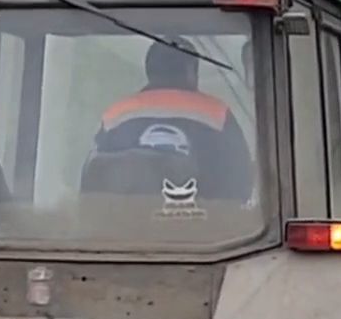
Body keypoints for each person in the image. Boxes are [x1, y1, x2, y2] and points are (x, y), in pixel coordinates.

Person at [90, 40, 252, 201]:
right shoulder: (218, 114)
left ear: (149, 71)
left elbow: (92, 184)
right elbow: (241, 182)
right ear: (191, 71)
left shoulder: (115, 115)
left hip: (127, 217)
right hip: (205, 217)